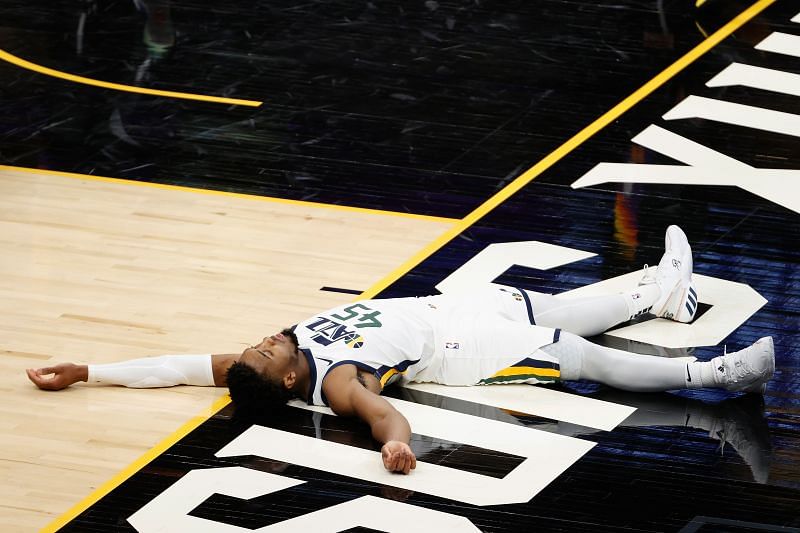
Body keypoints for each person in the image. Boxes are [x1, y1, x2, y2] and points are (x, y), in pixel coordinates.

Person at [26, 226, 775, 475]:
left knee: (564, 305)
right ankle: (710, 375)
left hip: (447, 308)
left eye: (252, 348)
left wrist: (89, 371)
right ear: (290, 377)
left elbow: (180, 366)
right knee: (580, 354)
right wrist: (397, 450)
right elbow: (383, 417)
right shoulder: (339, 382)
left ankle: (663, 291)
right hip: (465, 345)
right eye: (262, 350)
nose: (257, 340)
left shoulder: (261, 367)